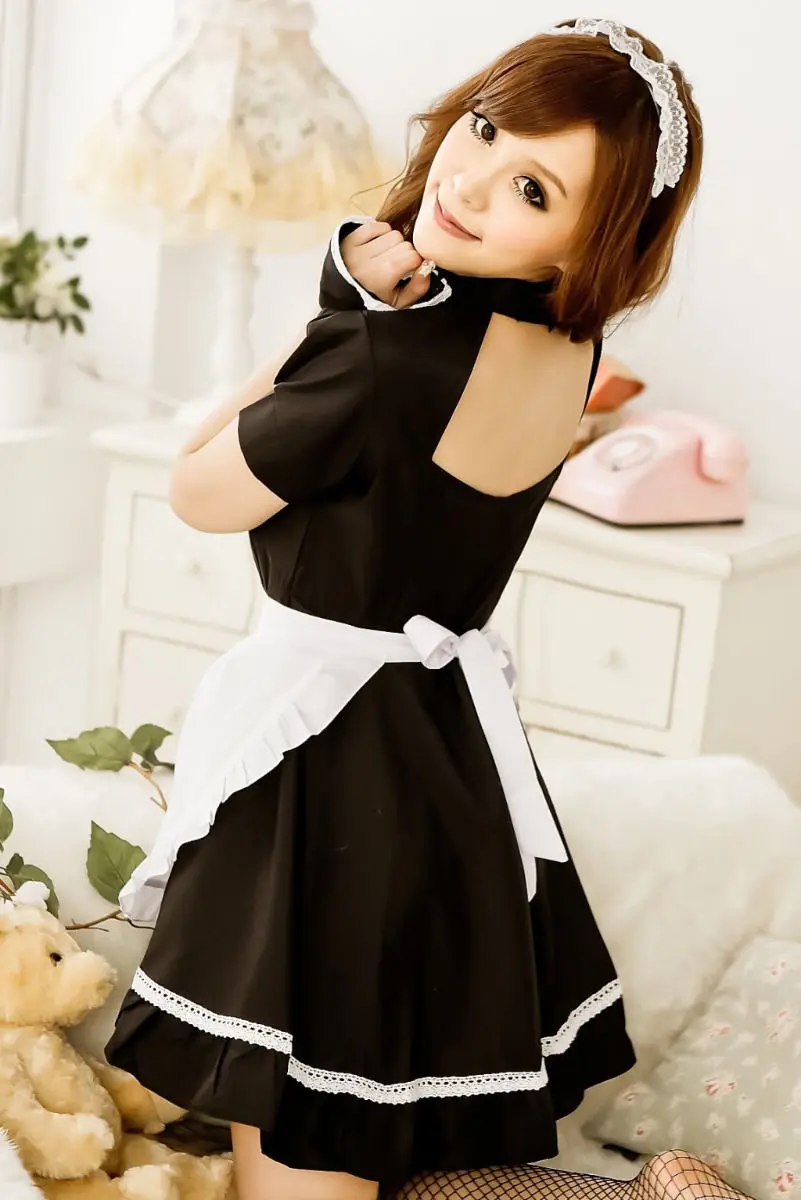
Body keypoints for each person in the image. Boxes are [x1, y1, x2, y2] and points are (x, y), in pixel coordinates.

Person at [104, 18, 750, 1200]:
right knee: (382, 1156)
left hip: (326, 783)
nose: (471, 179)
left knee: (304, 1167)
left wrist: (341, 317)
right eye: (487, 128)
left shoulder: (379, 360)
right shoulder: (568, 346)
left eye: (533, 188)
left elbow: (196, 485)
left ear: (590, 240)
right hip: (447, 776)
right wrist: (368, 313)